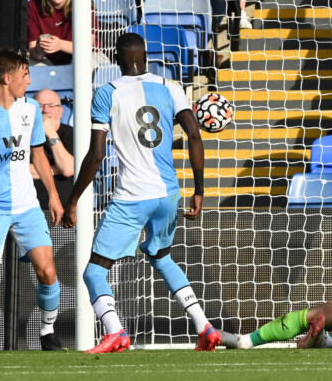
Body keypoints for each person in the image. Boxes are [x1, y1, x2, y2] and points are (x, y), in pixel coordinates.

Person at [63, 33, 220, 353]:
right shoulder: (171, 87)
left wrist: (74, 199)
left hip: (132, 196)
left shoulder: (106, 93)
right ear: (146, 56)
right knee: (161, 256)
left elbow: (96, 155)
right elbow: (194, 134)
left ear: (116, 60)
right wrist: (199, 189)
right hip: (168, 194)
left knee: (94, 271)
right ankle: (204, 326)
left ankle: (115, 332)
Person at [0, 50, 65, 351]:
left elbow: (38, 154)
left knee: (48, 271)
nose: (29, 81)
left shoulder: (30, 109)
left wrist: (53, 195)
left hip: (27, 205)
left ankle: (48, 333)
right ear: (7, 79)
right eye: (25, 76)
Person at [30, 89, 74, 211]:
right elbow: (18, 170)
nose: (45, 110)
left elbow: (68, 169)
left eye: (51, 106)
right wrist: (57, 168)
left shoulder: (72, 134)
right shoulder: (23, 135)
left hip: (66, 211)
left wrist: (51, 133)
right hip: (30, 211)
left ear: (61, 111)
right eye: (40, 106)